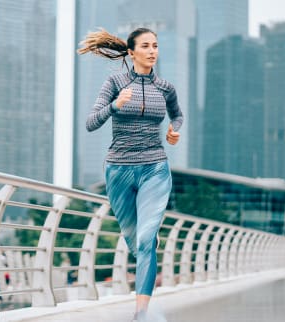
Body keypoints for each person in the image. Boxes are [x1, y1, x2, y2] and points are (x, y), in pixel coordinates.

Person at [78, 27, 183, 321]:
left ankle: (141, 313)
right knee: (135, 242)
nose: (152, 51)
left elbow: (177, 114)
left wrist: (175, 132)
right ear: (132, 51)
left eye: (156, 46)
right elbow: (90, 122)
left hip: (155, 168)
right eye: (146, 46)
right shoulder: (114, 82)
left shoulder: (165, 87)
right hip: (119, 169)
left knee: (147, 239)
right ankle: (146, 255)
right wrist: (115, 105)